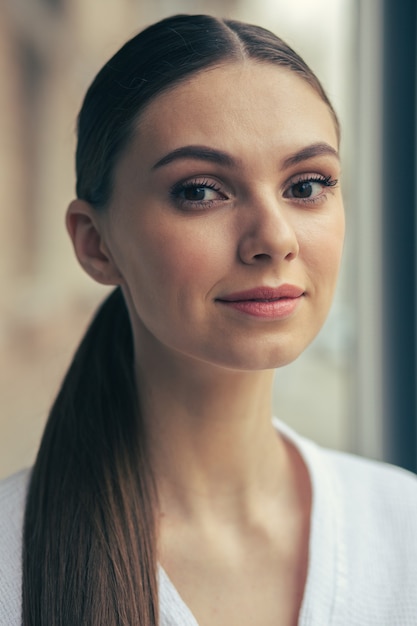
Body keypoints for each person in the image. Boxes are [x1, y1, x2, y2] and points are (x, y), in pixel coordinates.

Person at [1, 13, 416, 626]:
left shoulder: (403, 527)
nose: (274, 240)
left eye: (306, 185)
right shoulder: (10, 564)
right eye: (200, 191)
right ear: (96, 243)